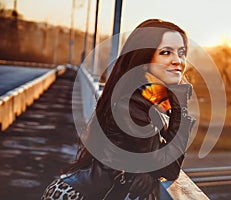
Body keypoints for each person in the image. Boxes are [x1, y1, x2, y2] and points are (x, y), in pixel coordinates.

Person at [41, 18, 195, 200]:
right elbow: (169, 168)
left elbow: (160, 161)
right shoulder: (130, 106)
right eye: (166, 52)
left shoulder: (147, 101)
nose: (177, 61)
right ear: (144, 59)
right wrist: (179, 105)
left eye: (182, 52)